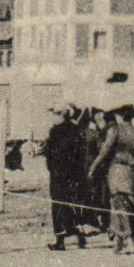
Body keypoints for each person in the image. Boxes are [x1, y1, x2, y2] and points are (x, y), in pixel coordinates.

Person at [88, 106, 134, 255]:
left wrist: (93, 167)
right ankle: (119, 242)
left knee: (119, 205)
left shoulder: (115, 130)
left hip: (117, 170)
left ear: (120, 117)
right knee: (132, 205)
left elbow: (105, 150)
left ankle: (129, 242)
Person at [44, 104, 88, 250]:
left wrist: (52, 169)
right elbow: (82, 153)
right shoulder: (78, 130)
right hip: (75, 173)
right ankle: (80, 235)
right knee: (74, 202)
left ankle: (60, 240)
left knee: (58, 205)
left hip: (58, 173)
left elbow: (50, 155)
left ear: (59, 115)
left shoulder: (55, 131)